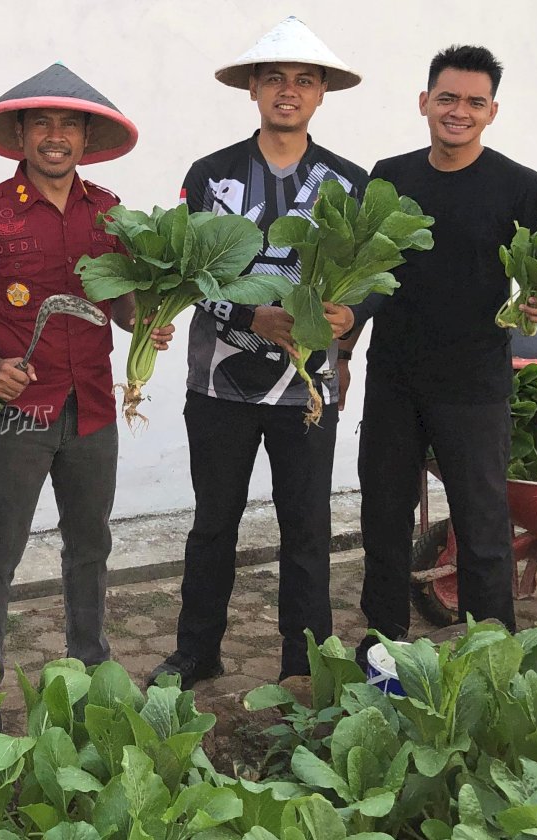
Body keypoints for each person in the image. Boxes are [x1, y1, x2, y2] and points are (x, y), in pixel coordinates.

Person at [152, 17, 372, 687]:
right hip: (219, 384)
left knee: (305, 529)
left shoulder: (350, 182)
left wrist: (351, 314)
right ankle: (196, 652)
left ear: (322, 93)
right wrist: (253, 314)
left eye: (304, 80)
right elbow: (188, 274)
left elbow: (377, 277)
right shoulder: (210, 175)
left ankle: (304, 662)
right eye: (275, 78)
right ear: (253, 87)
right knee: (213, 523)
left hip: (308, 393)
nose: (288, 91)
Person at [0, 63, 171, 683]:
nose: (56, 136)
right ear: (21, 136)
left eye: (69, 124)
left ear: (87, 141)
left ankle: (90, 667)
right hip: (17, 410)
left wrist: (146, 322)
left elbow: (122, 302)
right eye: (43, 123)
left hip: (93, 404)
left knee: (90, 546)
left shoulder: (112, 213)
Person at [343, 45, 537, 651]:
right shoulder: (390, 175)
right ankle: (382, 645)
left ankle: (491, 650)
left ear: (492, 112)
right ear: (424, 103)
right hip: (394, 378)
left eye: (473, 101)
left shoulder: (520, 187)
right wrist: (339, 354)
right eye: (447, 98)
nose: (458, 111)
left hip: (473, 384)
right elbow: (365, 277)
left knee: (483, 527)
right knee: (383, 519)